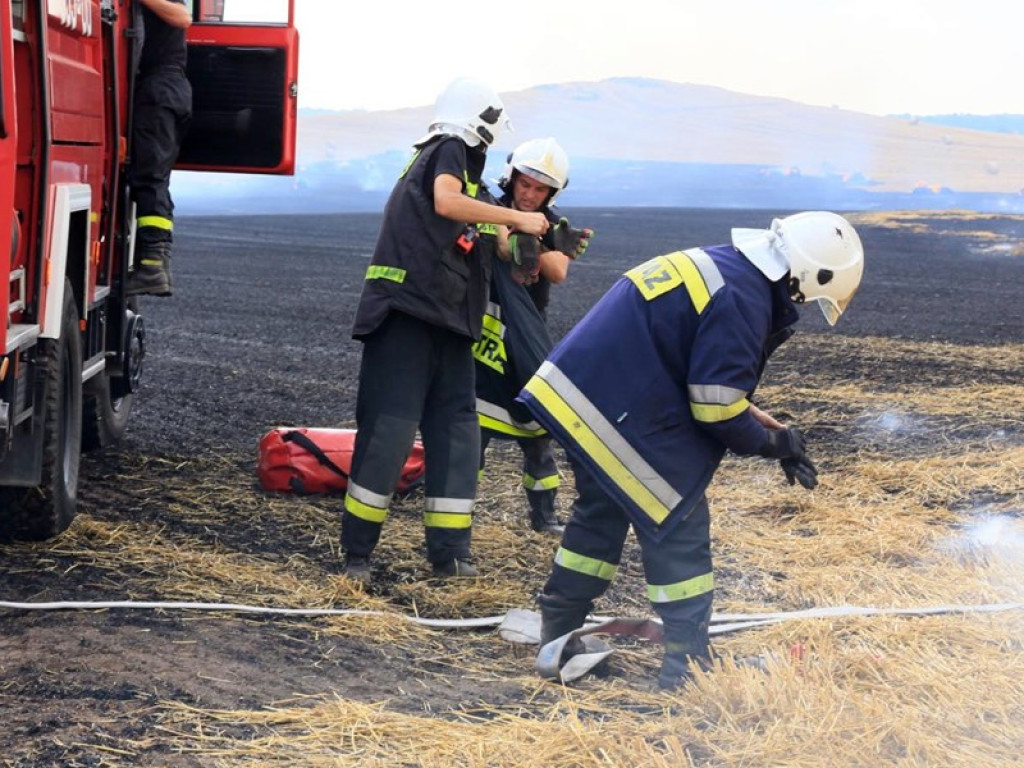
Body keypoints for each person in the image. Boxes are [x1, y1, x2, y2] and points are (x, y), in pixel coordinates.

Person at [517, 211, 864, 689]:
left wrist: (780, 433)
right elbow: (716, 408)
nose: (803, 302)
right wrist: (769, 444)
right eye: (810, 293)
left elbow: (710, 382)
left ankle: (557, 633)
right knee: (678, 517)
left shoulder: (729, 269)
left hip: (583, 395)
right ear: (809, 273)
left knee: (601, 511)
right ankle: (686, 663)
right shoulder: (744, 298)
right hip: (622, 407)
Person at [340, 77, 550, 583]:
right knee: (389, 433)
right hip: (408, 317)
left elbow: (488, 240)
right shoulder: (447, 149)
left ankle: (451, 557)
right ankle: (357, 558)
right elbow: (446, 202)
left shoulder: (468, 173)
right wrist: (516, 220)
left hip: (454, 326)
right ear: (478, 120)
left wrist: (529, 240)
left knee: (457, 436)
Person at [474, 138, 592, 535]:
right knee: (473, 429)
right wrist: (523, 239)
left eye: (540, 189)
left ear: (551, 193)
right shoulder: (489, 206)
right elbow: (501, 246)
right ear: (512, 178)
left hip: (526, 336)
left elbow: (557, 272)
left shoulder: (553, 224)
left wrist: (533, 240)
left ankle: (544, 518)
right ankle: (460, 513)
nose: (530, 194)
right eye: (525, 184)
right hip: (482, 331)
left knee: (539, 430)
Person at [127, 0, 193, 297]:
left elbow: (182, 16)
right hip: (166, 88)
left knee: (150, 178)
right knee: (151, 176)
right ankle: (154, 264)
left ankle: (153, 266)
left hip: (161, 88)